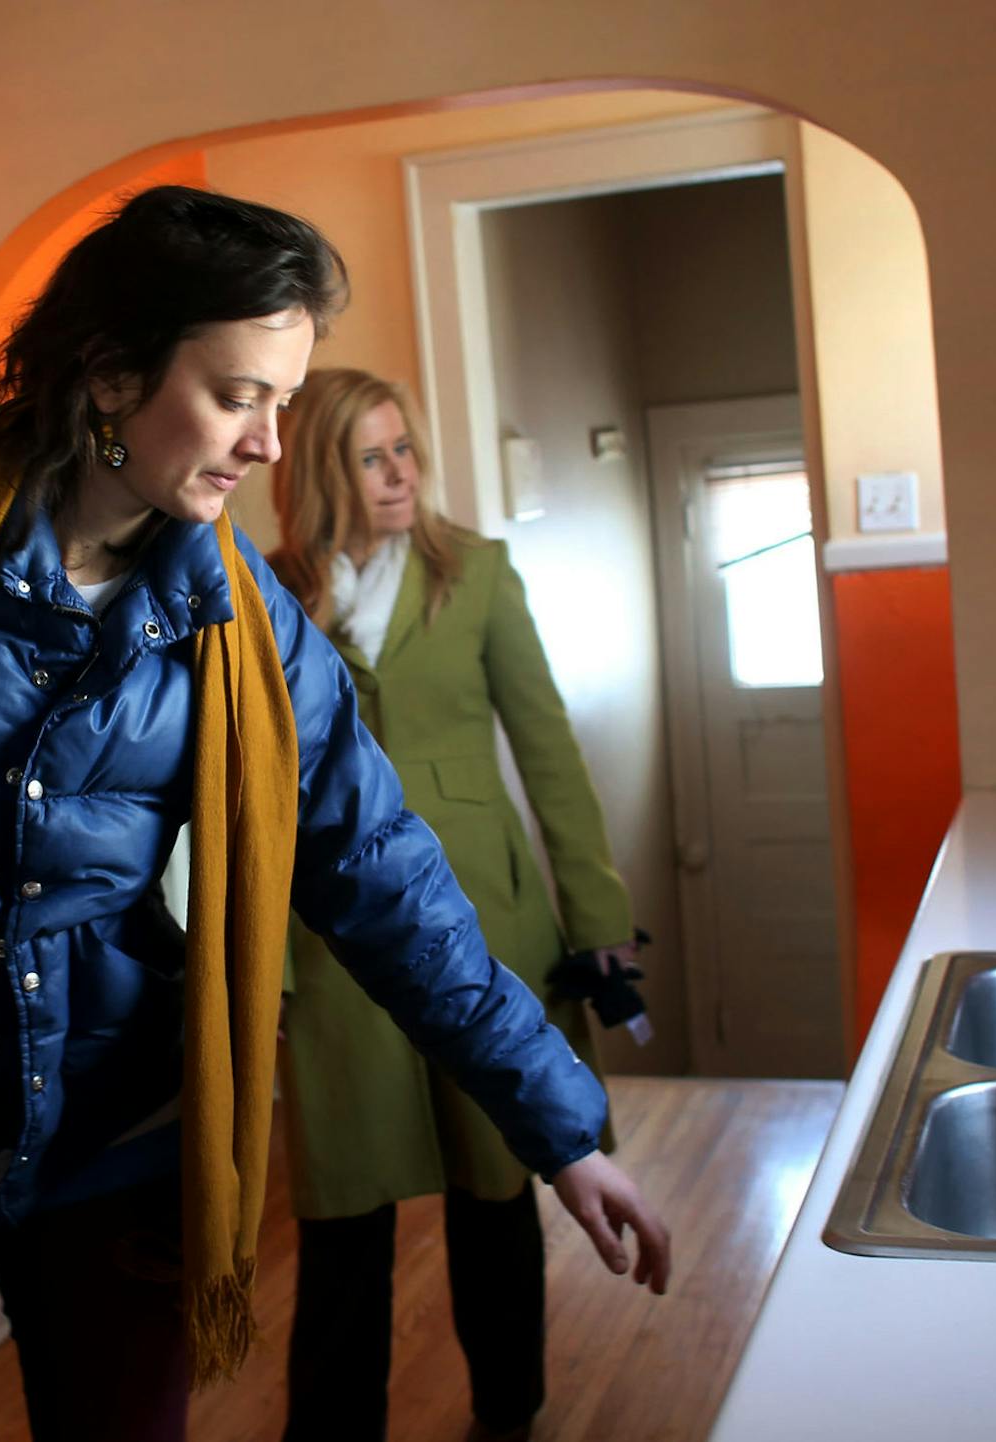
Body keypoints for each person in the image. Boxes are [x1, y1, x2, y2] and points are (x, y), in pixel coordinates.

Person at [0, 187, 668, 1442]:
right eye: (238, 392)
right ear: (106, 371)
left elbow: (377, 868)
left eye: (285, 401)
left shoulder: (241, 617)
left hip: (117, 1135)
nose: (268, 442)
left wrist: (560, 1125)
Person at [267, 369, 643, 1442]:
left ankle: (507, 1413)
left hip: (486, 914)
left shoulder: (476, 573)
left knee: (496, 1182)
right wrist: (264, 965)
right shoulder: (273, 590)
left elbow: (549, 749)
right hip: (331, 930)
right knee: (342, 1204)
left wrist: (596, 908)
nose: (401, 474)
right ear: (323, 467)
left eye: (407, 450)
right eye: (373, 455)